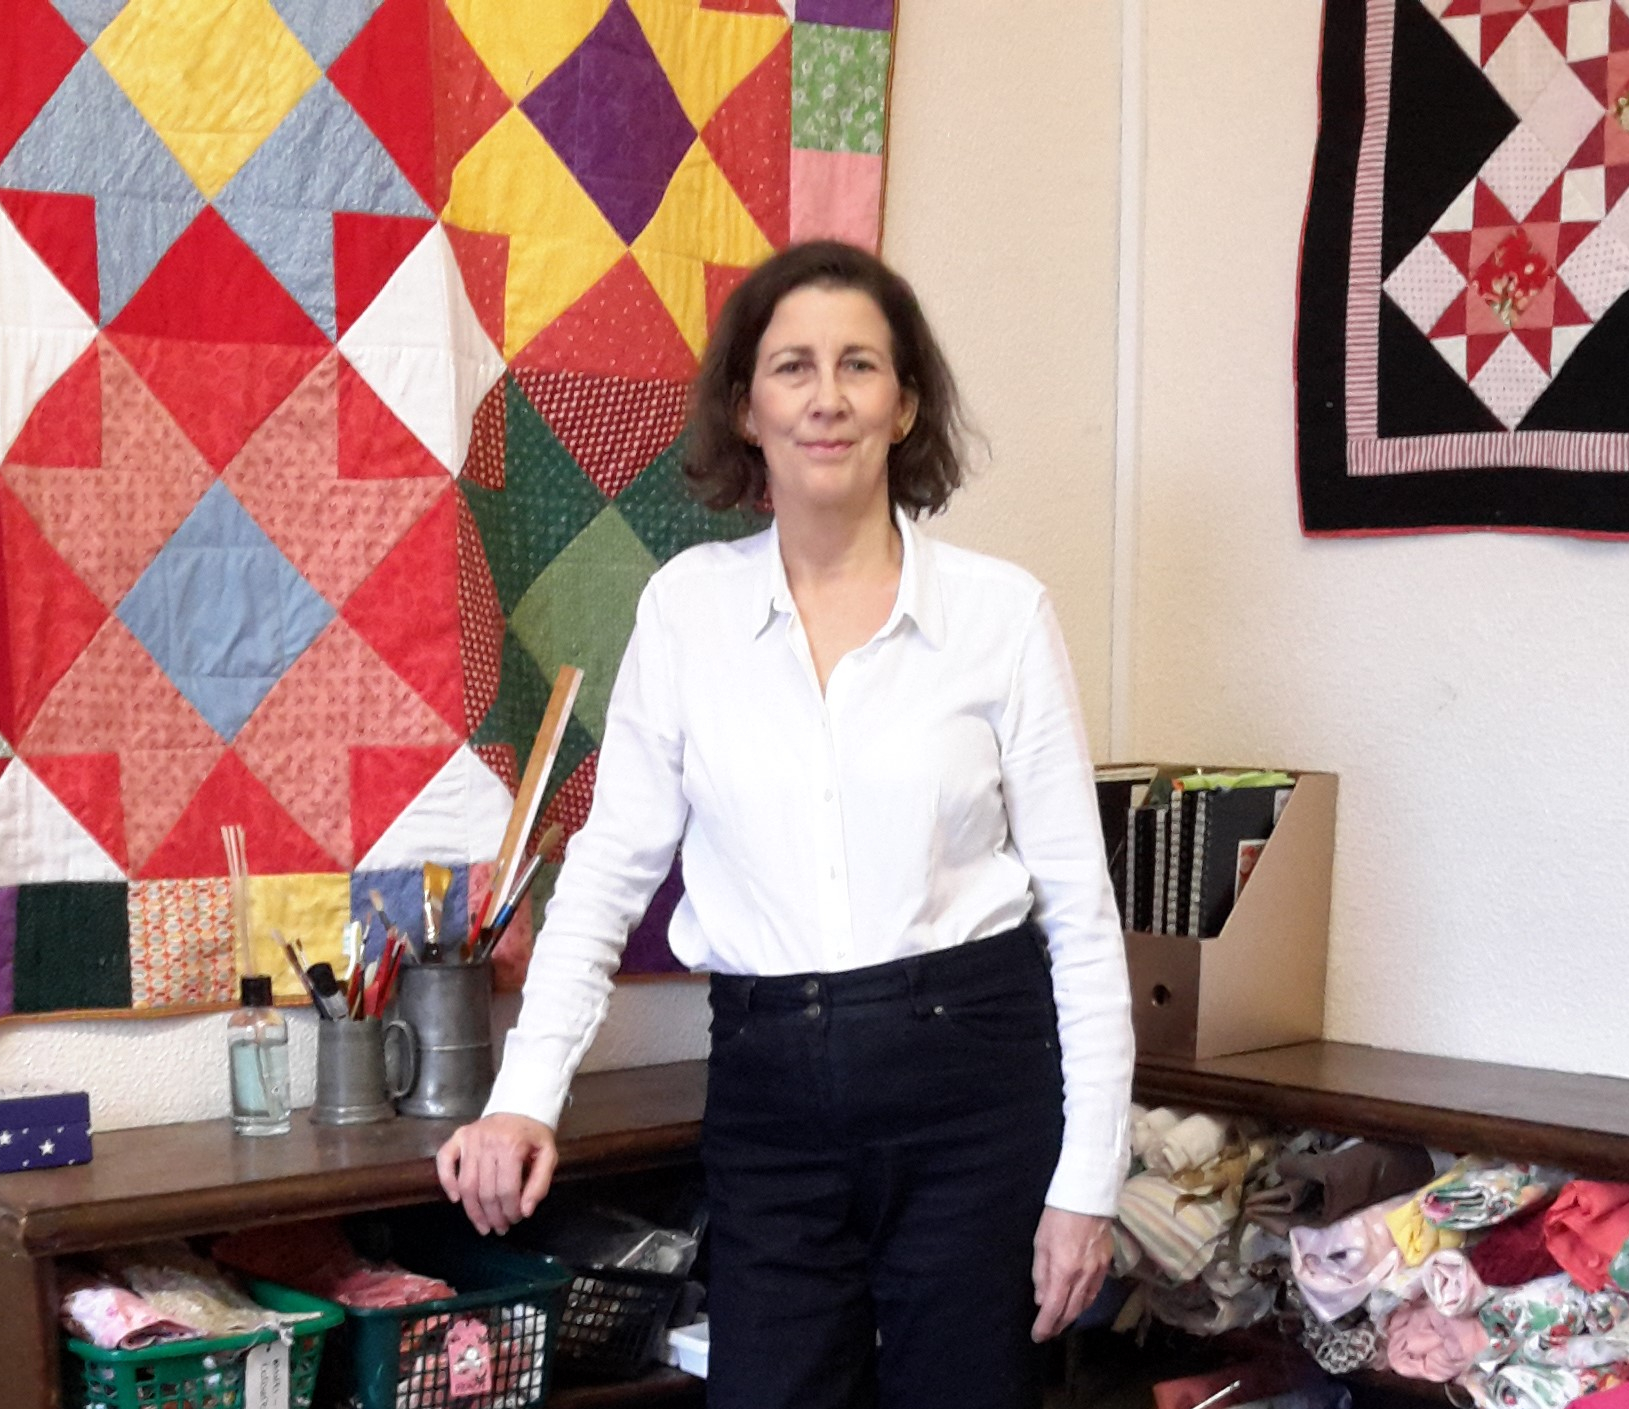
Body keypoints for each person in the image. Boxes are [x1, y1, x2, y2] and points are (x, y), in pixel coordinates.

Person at [435, 240, 1134, 1409]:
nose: (826, 396)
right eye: (793, 366)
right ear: (745, 408)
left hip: (974, 1088)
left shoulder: (1000, 615)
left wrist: (1087, 1181)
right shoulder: (687, 611)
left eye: (859, 364)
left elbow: (1079, 909)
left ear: (904, 404)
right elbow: (605, 874)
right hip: (772, 1099)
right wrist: (523, 1094)